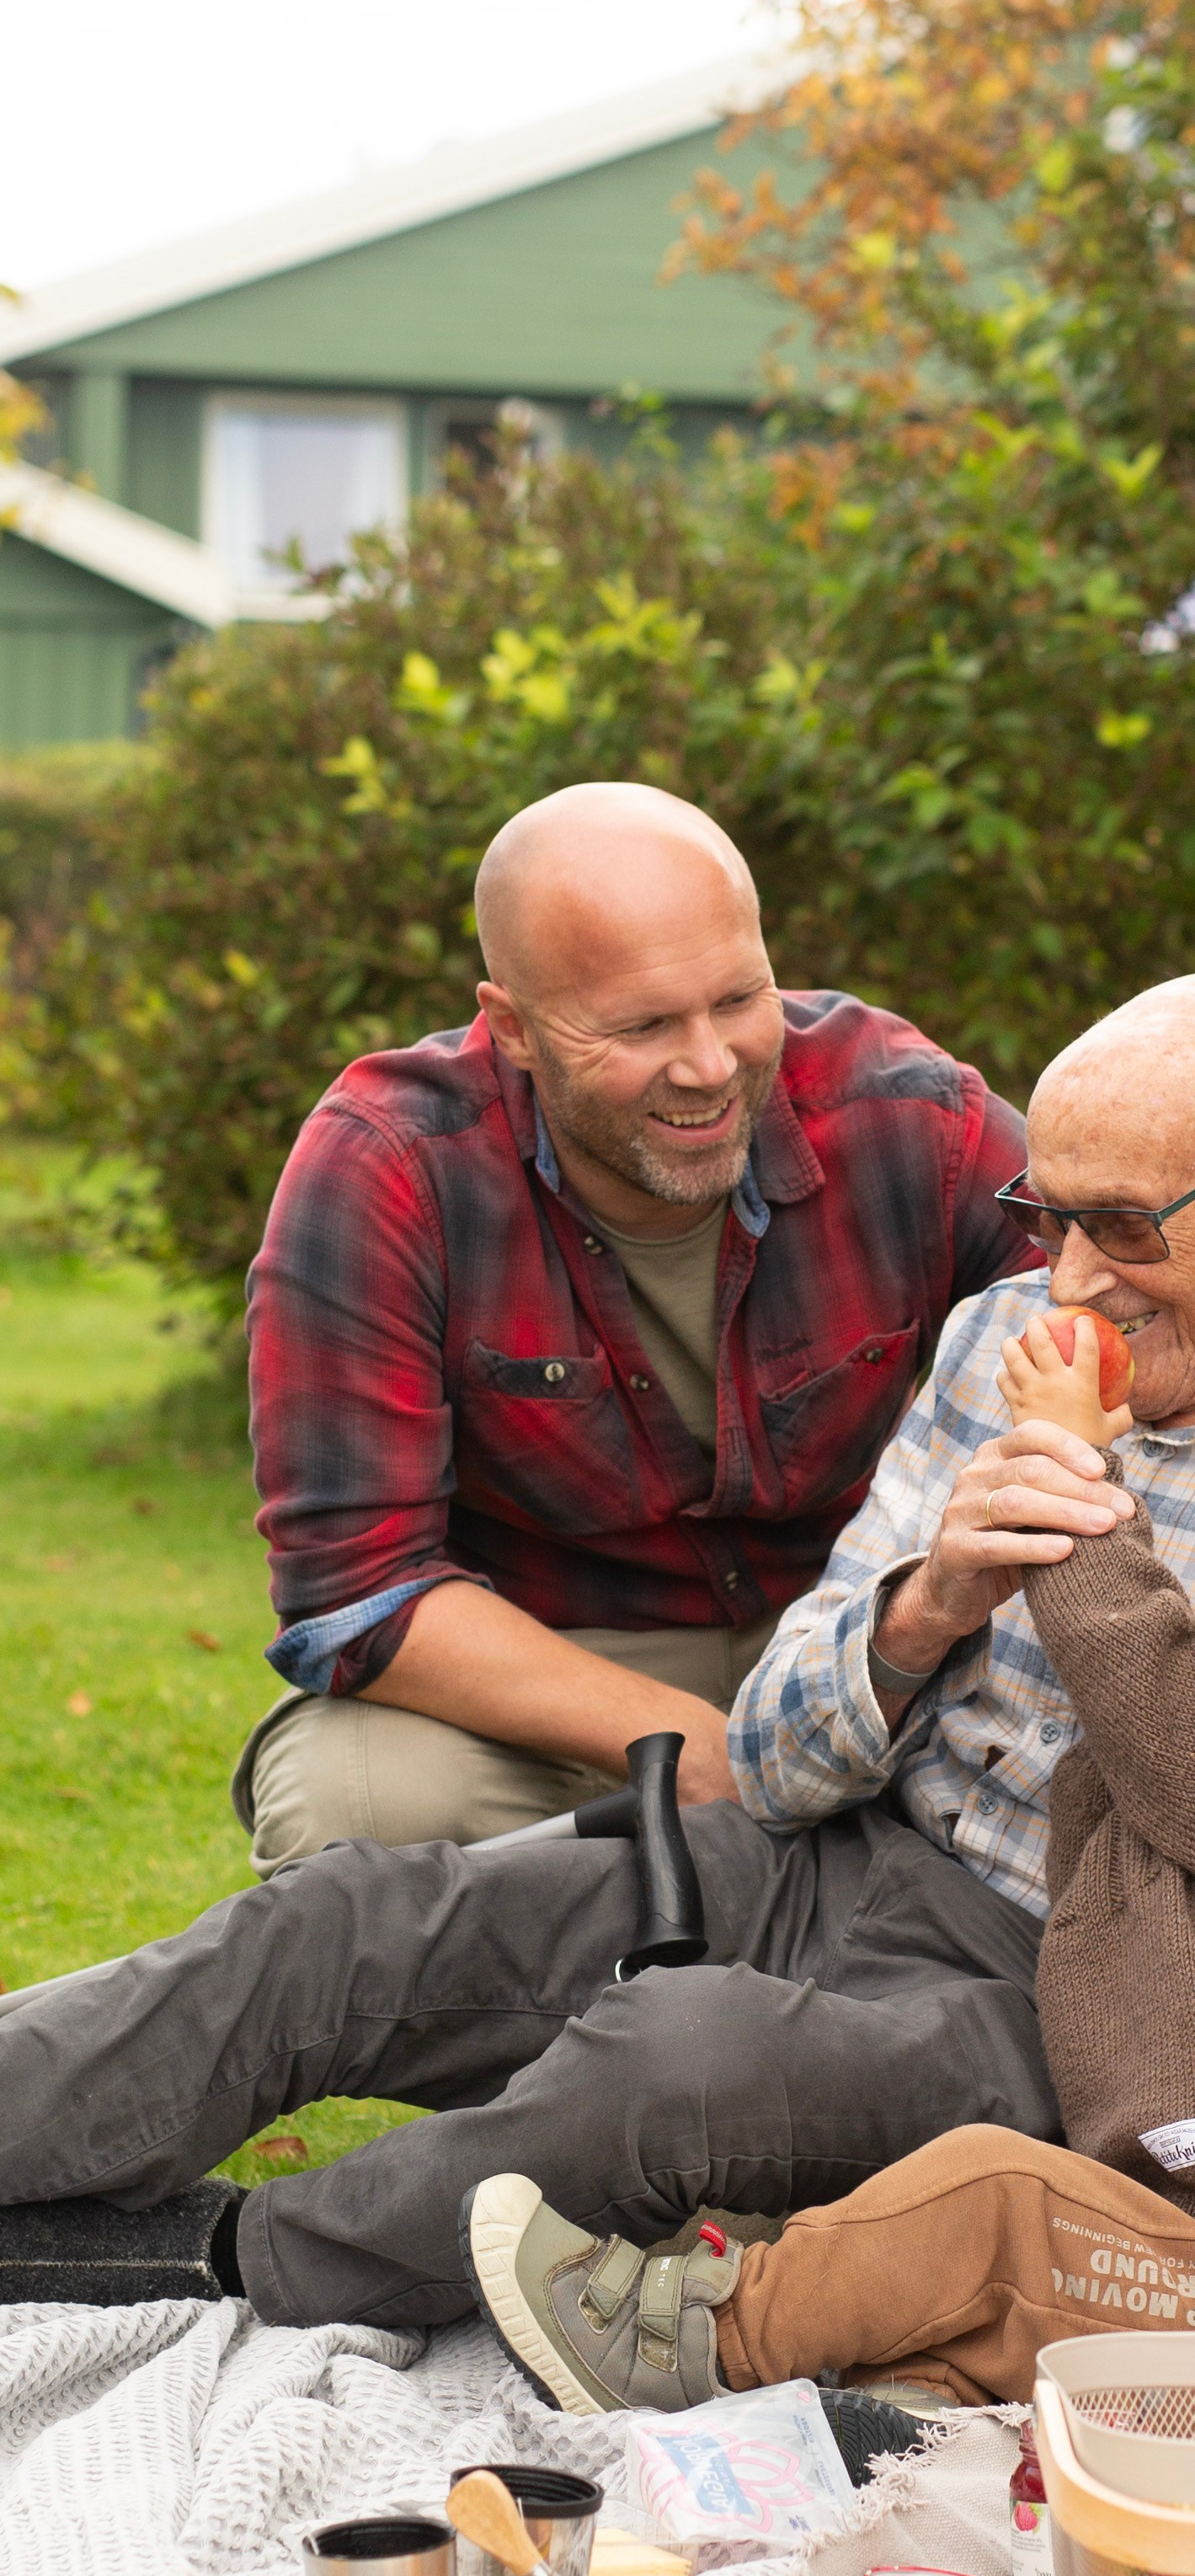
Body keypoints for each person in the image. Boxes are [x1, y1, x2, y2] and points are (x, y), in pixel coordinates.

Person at [0, 974, 1195, 2377]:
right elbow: (789, 1749)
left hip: (1096, 2004)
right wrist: (923, 1605)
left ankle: (207, 2253)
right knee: (348, 1922)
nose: (1077, 1276)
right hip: (846, 1863)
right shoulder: (1000, 1341)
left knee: (668, 2065)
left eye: (1126, 1225)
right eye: (1048, 1216)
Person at [461, 1316, 1195, 2413]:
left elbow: (1131, 1650)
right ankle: (898, 2424)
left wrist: (1073, 1455)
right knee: (1004, 2300)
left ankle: (688, 2336)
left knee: (994, 2199)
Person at [234, 779, 1037, 1869]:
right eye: (643, 1025)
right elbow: (356, 1592)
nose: (710, 1066)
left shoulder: (903, 1112)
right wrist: (691, 1747)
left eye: (738, 1000)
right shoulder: (388, 1169)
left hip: (853, 1631)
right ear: (512, 1026)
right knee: (361, 1808)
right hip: (553, 1668)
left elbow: (1121, 1293)